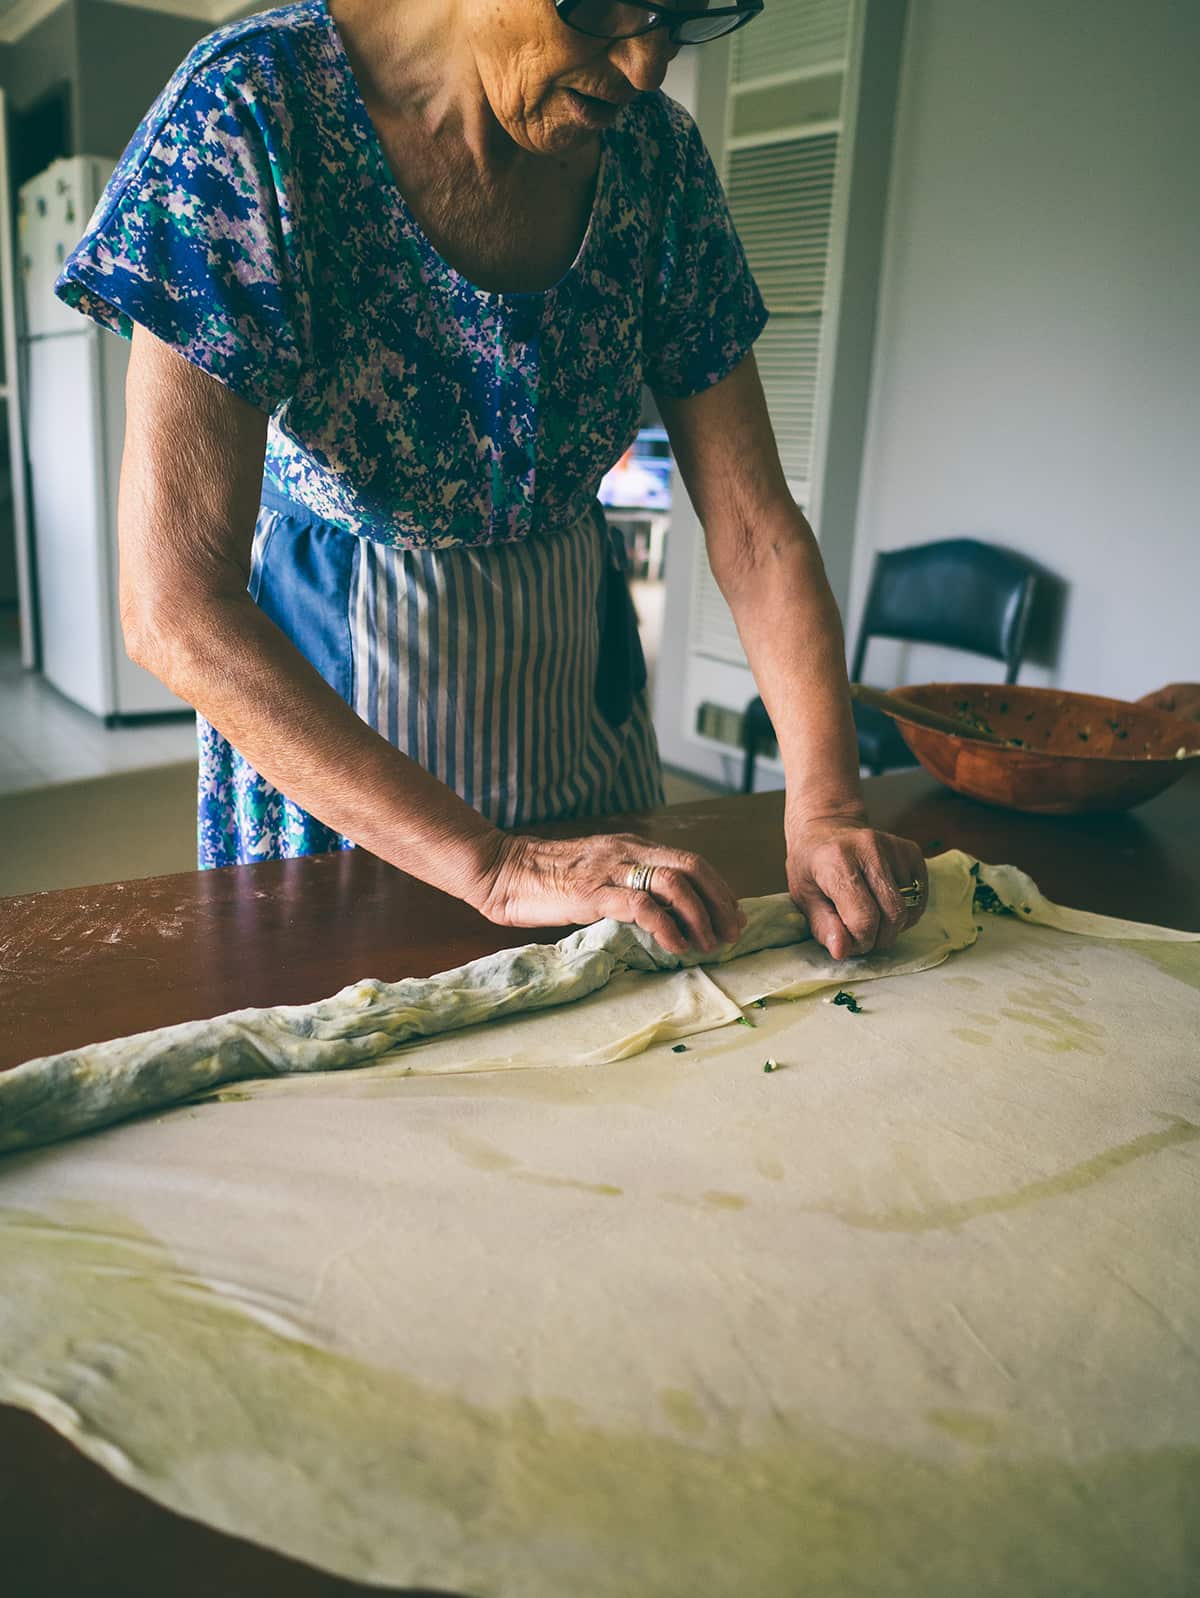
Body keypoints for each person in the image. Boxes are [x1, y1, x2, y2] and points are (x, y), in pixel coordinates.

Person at [57, 0, 928, 963]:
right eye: (611, 9)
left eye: (685, 20)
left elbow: (757, 528)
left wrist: (826, 806)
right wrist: (494, 865)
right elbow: (174, 606)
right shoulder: (250, 114)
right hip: (349, 765)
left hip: (581, 732)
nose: (646, 68)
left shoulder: (657, 159)